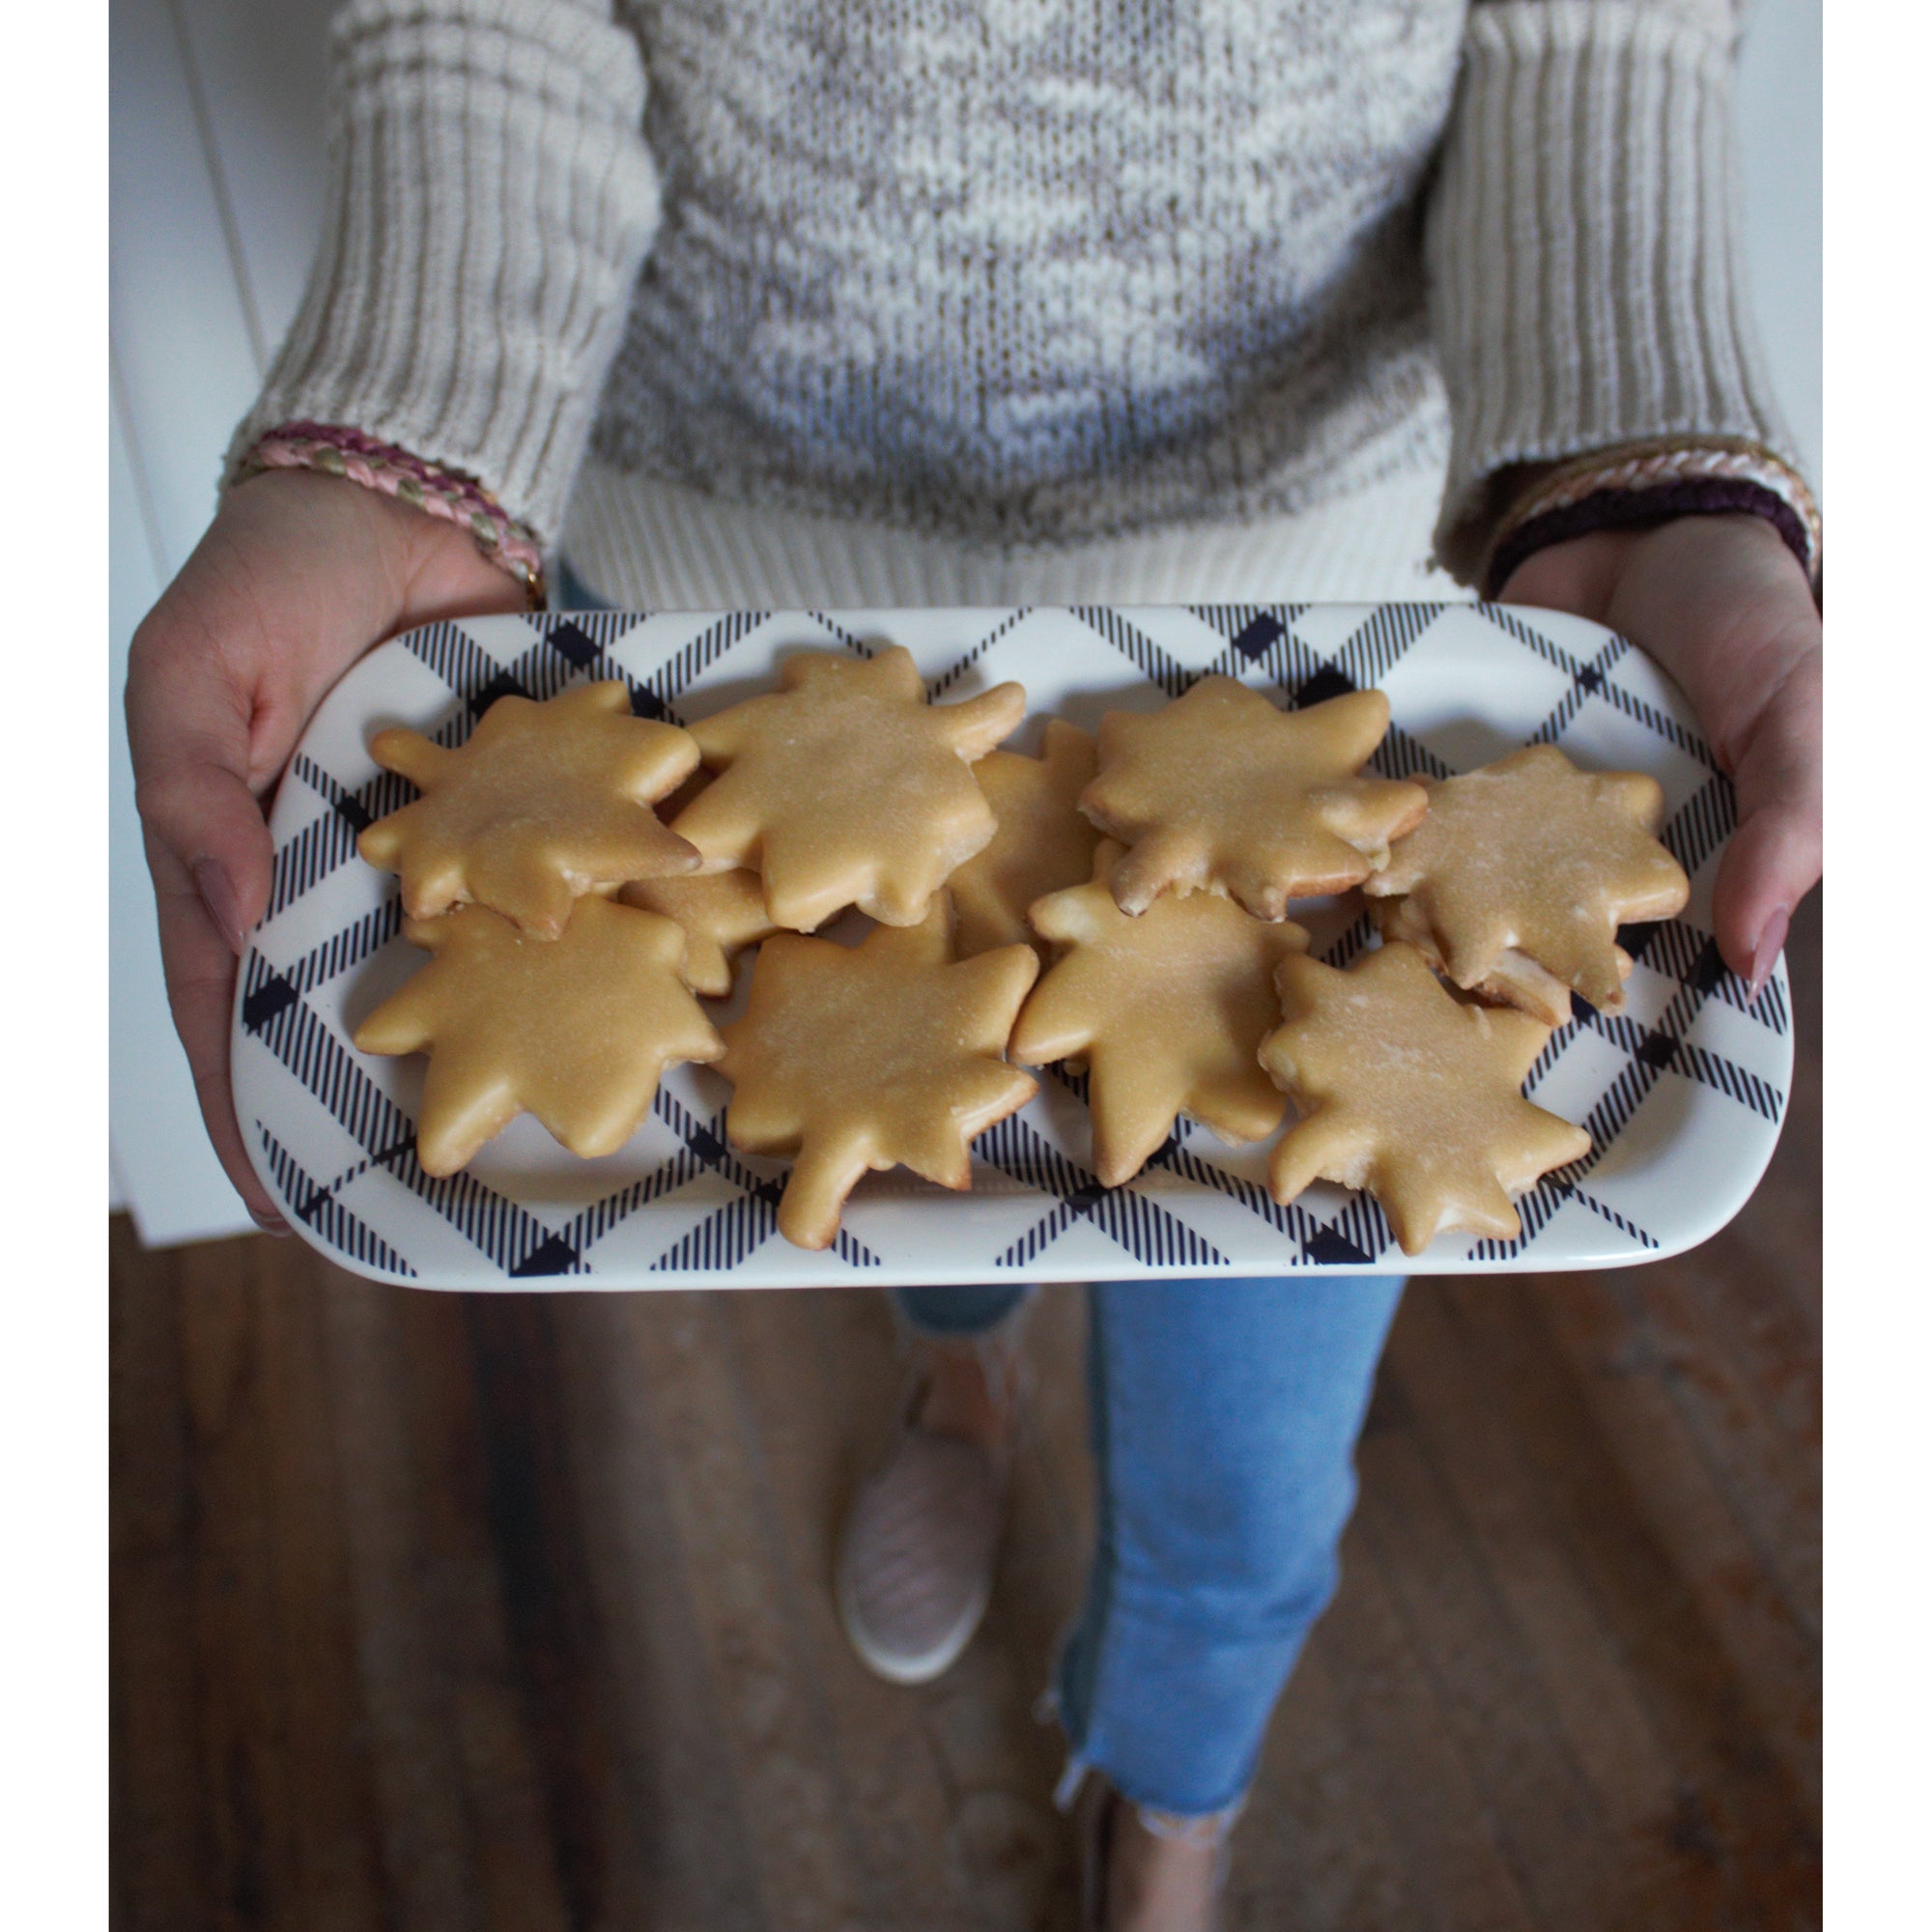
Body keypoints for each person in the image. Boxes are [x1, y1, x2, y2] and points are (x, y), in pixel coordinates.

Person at [126, 1, 1821, 1923]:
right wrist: (390, 462)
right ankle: (964, 1393)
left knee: (1250, 1464)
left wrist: (1640, 477)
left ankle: (1173, 1791)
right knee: (882, 1131)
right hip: (726, 650)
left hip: (1330, 647)